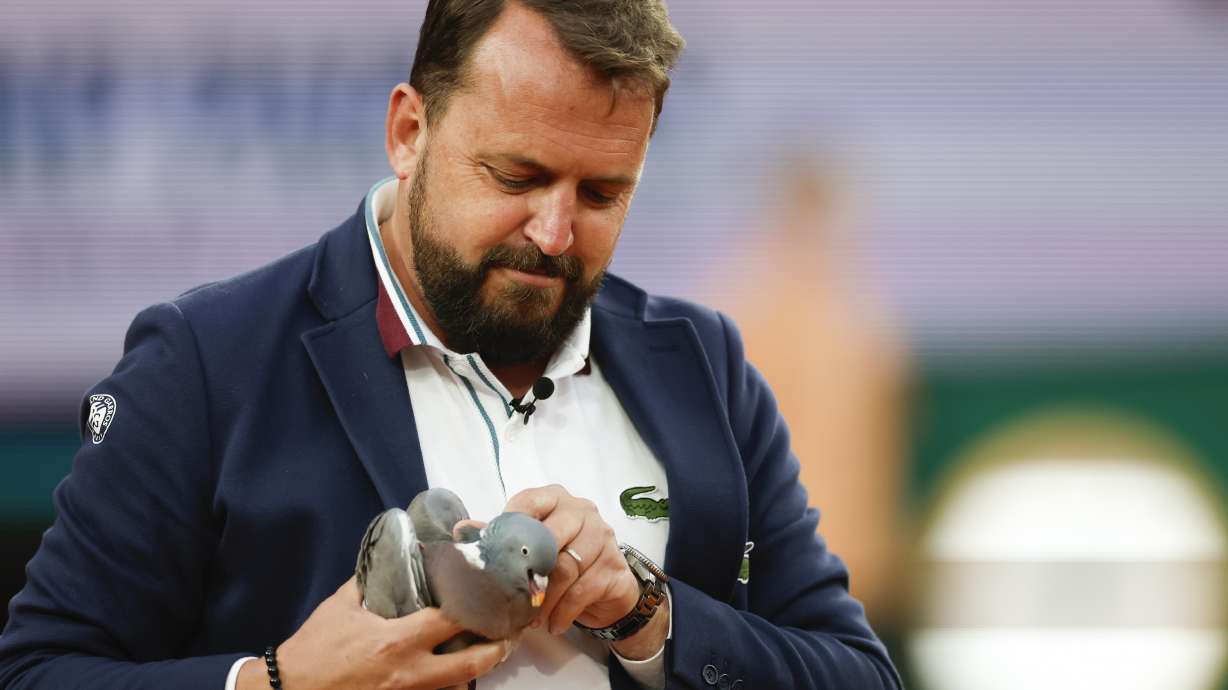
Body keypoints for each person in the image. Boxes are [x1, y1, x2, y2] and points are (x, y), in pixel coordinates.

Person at [0, 1, 902, 689]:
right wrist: (276, 683)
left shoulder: (700, 364)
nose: (553, 232)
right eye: (516, 175)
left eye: (601, 194)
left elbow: (857, 672)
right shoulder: (203, 363)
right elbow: (40, 670)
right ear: (408, 131)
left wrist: (650, 613)